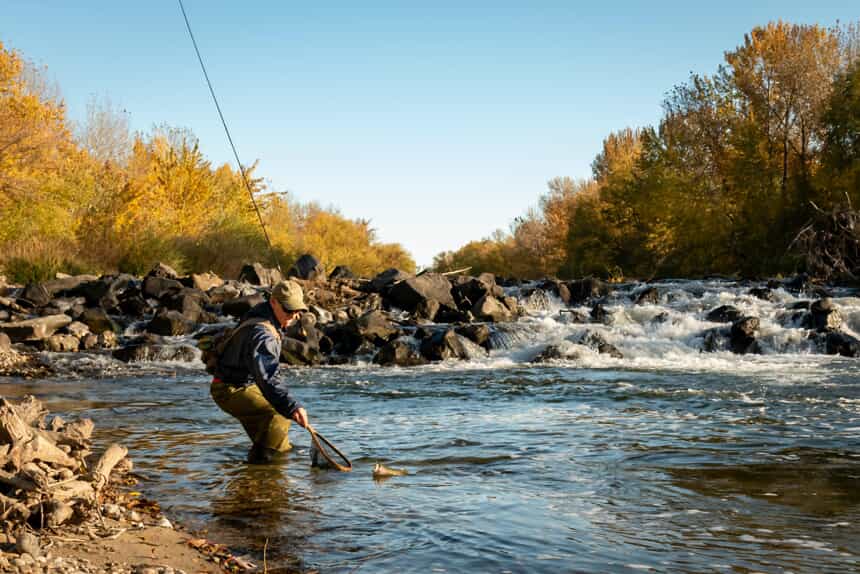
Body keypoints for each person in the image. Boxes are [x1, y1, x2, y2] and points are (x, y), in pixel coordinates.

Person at [210, 279, 311, 462]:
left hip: (242, 384)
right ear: (273, 302)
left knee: (275, 438)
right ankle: (263, 467)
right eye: (288, 309)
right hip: (230, 389)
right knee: (280, 415)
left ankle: (259, 470)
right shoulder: (263, 334)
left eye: (297, 310)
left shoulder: (262, 314)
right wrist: (293, 406)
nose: (293, 316)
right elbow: (268, 376)